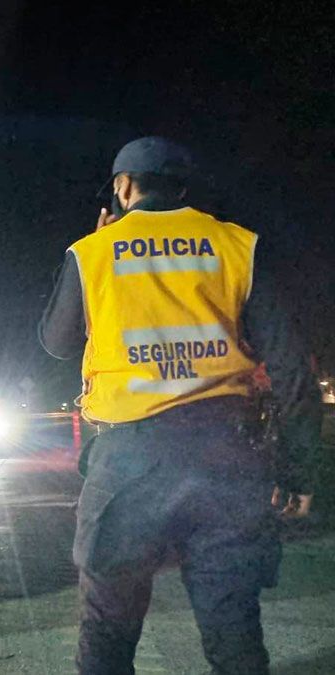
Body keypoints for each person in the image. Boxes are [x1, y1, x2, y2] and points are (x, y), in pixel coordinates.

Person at [39, 136, 322, 674]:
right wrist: (298, 470)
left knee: (107, 633)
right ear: (182, 189)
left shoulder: (94, 252)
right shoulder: (237, 246)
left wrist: (98, 247)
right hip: (226, 458)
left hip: (127, 466)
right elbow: (291, 369)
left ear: (123, 186)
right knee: (234, 632)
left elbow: (56, 341)